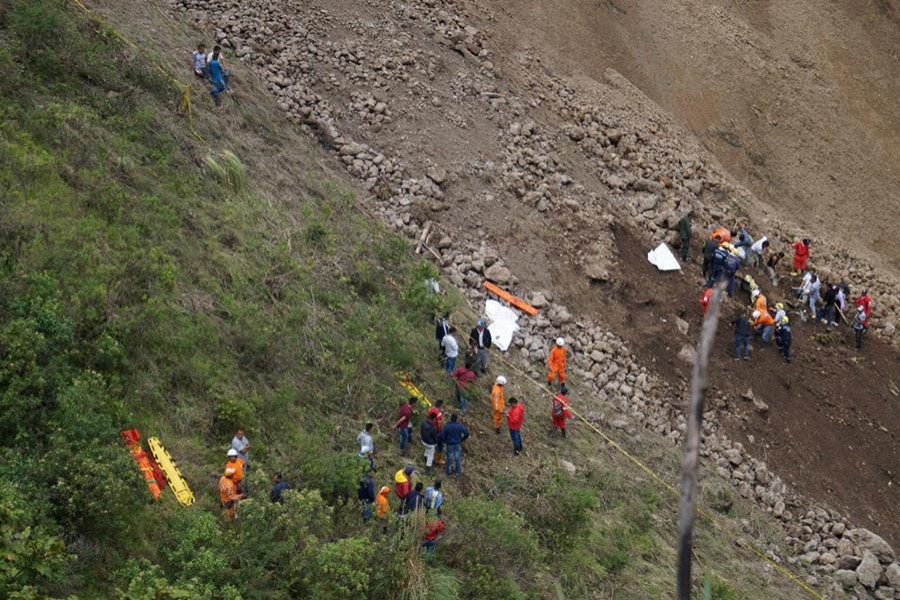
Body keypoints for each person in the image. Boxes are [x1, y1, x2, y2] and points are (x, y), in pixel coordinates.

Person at [426, 400, 446, 465]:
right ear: (440, 406)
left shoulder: (430, 409)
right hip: (436, 431)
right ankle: (436, 459)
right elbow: (439, 425)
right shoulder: (439, 414)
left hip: (429, 428)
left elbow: (427, 416)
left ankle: (428, 455)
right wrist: (439, 431)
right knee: (439, 445)